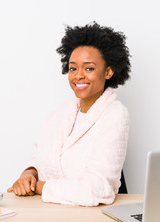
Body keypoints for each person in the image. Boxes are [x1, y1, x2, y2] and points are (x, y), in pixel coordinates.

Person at [7, 22, 131, 206]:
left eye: (89, 68)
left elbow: (95, 189)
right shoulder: (60, 114)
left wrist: (38, 188)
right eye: (73, 68)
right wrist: (29, 174)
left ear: (108, 72)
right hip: (51, 215)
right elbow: (41, 160)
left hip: (93, 221)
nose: (78, 75)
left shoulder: (115, 115)